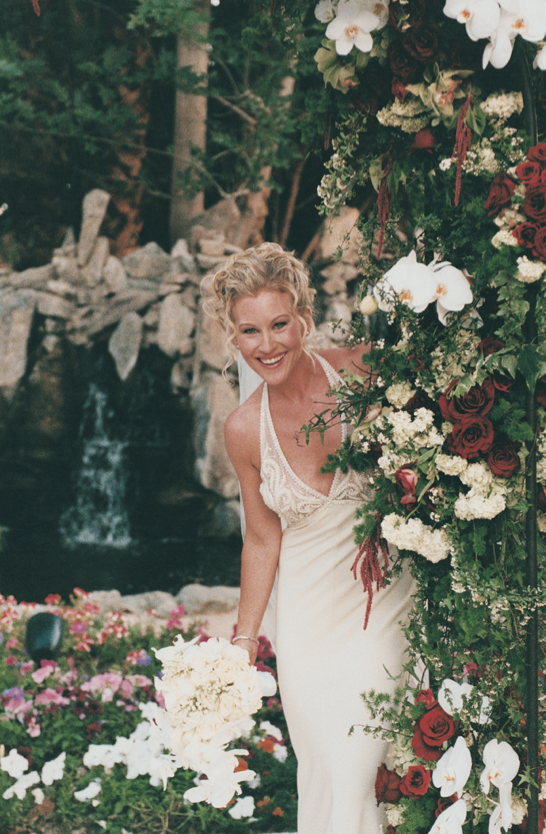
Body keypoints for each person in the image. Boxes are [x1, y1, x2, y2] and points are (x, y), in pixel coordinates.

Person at [202, 242, 414, 834]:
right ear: (233, 336)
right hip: (309, 623)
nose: (266, 344)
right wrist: (245, 641)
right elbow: (261, 539)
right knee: (329, 771)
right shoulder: (243, 429)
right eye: (249, 331)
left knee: (369, 767)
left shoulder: (361, 372)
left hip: (385, 601)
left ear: (304, 318)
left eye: (279, 324)